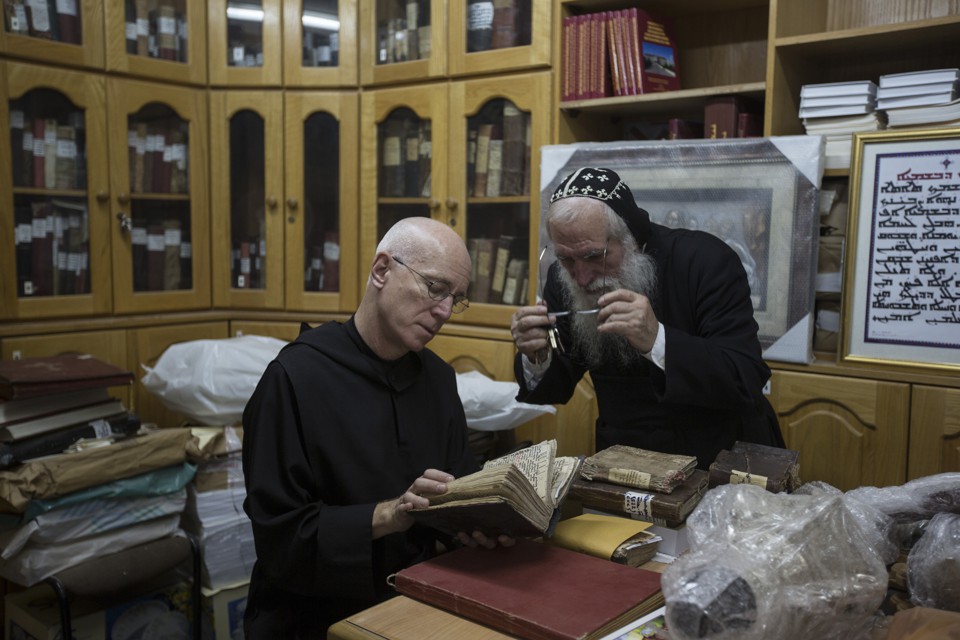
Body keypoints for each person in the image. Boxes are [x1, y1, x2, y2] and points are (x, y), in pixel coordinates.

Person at [242, 217, 511, 639]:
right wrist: (388, 514)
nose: (443, 312)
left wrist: (482, 521)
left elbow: (457, 491)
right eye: (434, 288)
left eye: (455, 299)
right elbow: (280, 541)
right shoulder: (294, 378)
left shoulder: (439, 380)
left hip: (419, 599)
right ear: (382, 270)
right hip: (314, 616)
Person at [510, 167, 784, 469]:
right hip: (626, 462)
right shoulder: (565, 278)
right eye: (565, 258)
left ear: (630, 239)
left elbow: (744, 379)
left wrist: (657, 339)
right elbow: (556, 387)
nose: (582, 277)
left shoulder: (706, 260)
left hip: (719, 459)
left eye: (593, 256)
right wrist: (537, 356)